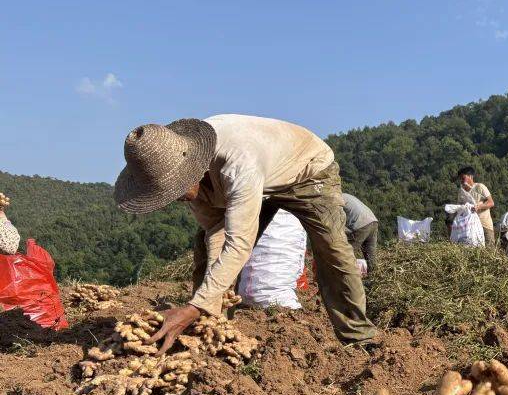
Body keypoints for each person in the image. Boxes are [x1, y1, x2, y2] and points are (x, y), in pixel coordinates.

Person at [113, 114, 379, 352]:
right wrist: (207, 305)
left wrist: (195, 306)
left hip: (306, 169)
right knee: (205, 251)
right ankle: (212, 330)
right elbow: (217, 233)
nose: (176, 197)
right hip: (260, 173)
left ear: (190, 169)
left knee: (332, 248)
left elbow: (240, 242)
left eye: (176, 187)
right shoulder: (185, 168)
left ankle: (358, 337)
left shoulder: (238, 163)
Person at [455, 166, 495, 247]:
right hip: (470, 227)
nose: (461, 181)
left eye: (463, 178)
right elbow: (459, 207)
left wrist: (478, 207)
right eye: (460, 179)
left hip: (484, 225)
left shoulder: (480, 187)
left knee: (489, 250)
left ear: (470, 176)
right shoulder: (461, 192)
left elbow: (491, 203)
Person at [342, 193, 378, 277]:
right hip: (373, 221)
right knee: (370, 256)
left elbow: (337, 224)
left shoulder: (334, 200)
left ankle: (347, 281)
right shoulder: (346, 195)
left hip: (360, 224)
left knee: (346, 255)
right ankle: (374, 279)